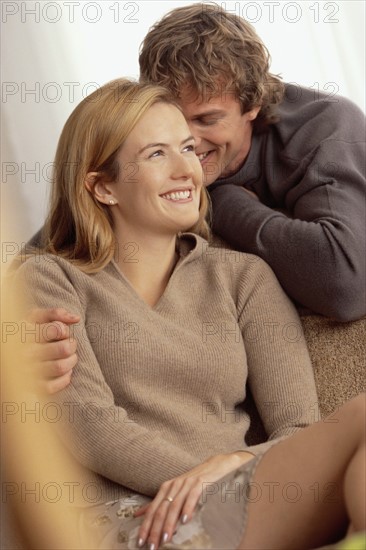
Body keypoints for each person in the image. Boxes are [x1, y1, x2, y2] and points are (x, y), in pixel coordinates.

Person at [10, 78, 365, 550]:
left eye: (187, 149)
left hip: (242, 490)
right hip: (134, 515)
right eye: (157, 154)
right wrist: (199, 476)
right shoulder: (49, 279)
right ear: (102, 186)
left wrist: (232, 463)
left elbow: (297, 427)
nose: (187, 170)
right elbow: (91, 427)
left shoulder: (245, 277)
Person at [28, 2, 366, 392]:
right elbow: (62, 233)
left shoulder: (325, 127)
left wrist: (226, 203)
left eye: (207, 119)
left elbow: (346, 285)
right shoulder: (143, 140)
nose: (186, 139)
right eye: (173, 114)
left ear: (253, 103)